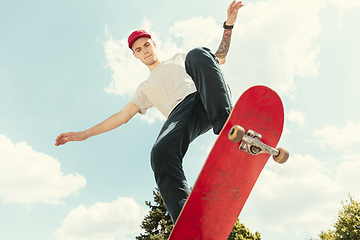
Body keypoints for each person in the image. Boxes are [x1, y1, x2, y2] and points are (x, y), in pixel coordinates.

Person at [55, 1, 244, 223]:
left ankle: (228, 127)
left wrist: (228, 25)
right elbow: (122, 116)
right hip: (183, 115)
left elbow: (218, 58)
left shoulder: (179, 58)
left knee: (198, 53)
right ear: (134, 55)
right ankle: (186, 220)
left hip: (207, 96)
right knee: (160, 153)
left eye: (146, 45)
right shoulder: (144, 89)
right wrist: (83, 134)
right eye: (138, 50)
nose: (144, 51)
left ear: (153, 44)